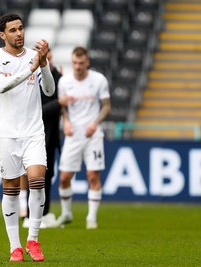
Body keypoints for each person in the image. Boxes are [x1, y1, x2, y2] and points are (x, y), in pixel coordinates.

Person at [0, 13, 55, 262]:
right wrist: (31, 68)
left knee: (37, 180)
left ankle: (33, 240)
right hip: (5, 134)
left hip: (33, 131)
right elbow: (1, 86)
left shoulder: (34, 59)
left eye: (21, 28)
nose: (19, 33)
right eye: (12, 30)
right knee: (11, 189)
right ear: (3, 34)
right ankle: (15, 246)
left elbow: (49, 90)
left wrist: (43, 64)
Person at [55, 46, 111, 230]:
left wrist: (95, 123)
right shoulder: (65, 82)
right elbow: (62, 106)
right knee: (64, 177)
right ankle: (66, 213)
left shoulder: (98, 80)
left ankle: (91, 218)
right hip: (73, 135)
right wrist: (66, 122)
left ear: (87, 62)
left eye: (81, 63)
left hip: (93, 134)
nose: (77, 66)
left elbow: (106, 106)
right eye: (74, 63)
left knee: (92, 175)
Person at [19, 49, 68, 229]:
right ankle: (30, 216)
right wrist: (59, 103)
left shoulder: (57, 76)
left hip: (52, 134)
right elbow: (38, 109)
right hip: (39, 134)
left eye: (49, 56)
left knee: (48, 175)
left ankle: (44, 213)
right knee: (38, 177)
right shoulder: (34, 79)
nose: (47, 60)